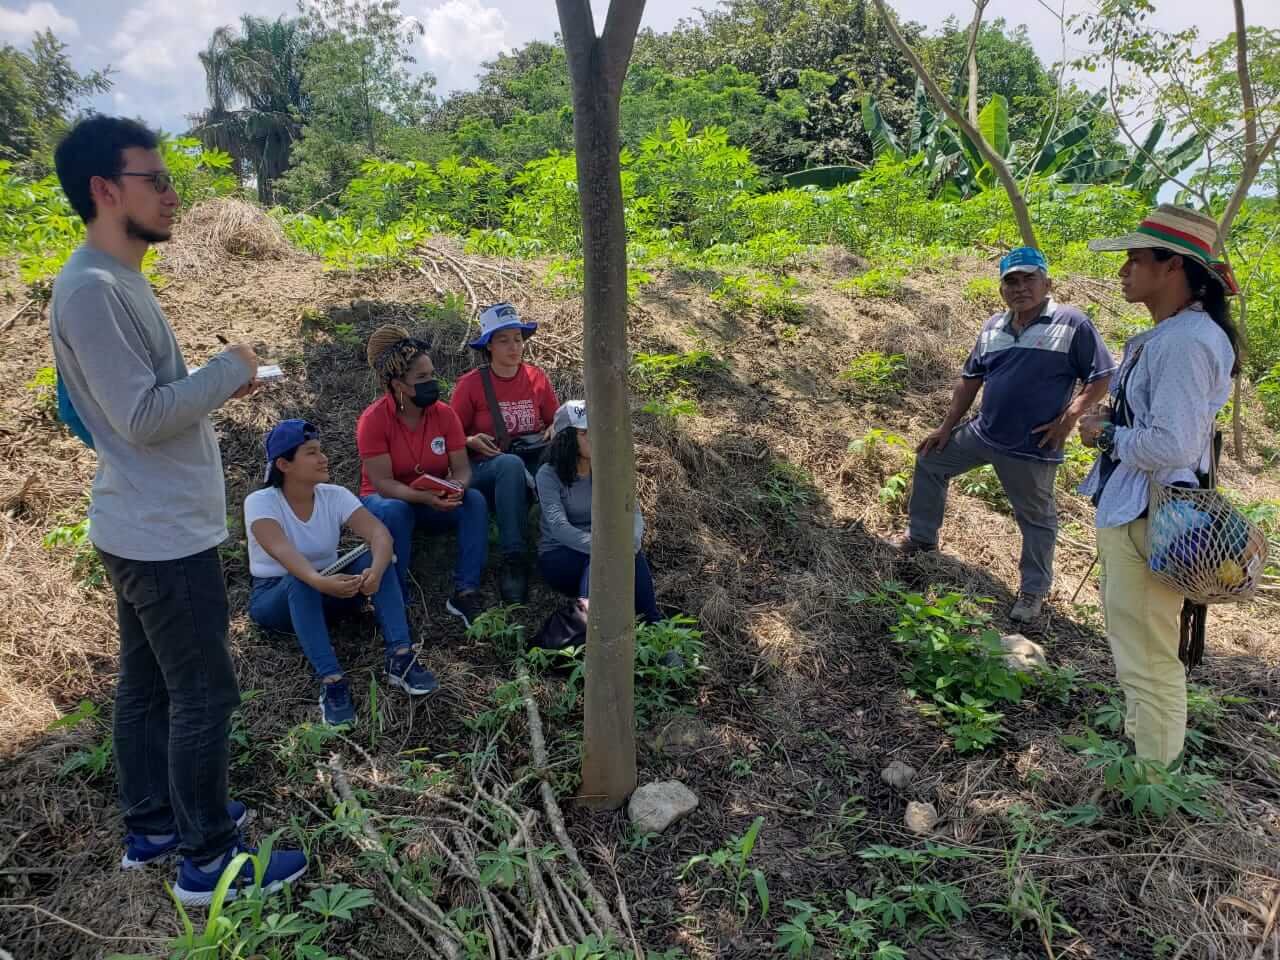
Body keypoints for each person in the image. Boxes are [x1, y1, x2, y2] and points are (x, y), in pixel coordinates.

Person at [47, 115, 305, 904]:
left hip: (144, 523)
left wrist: (214, 377)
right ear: (103, 189)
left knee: (150, 685)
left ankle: (154, 825)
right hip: (160, 537)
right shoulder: (91, 288)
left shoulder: (115, 280)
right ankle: (210, 861)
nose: (171, 193)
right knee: (204, 692)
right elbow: (141, 416)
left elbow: (122, 402)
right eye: (152, 179)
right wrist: (229, 369)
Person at [1078, 205, 1239, 767]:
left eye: (1135, 259)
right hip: (1141, 510)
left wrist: (1107, 435)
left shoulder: (1185, 343)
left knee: (1149, 659)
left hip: (1151, 514)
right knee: (1140, 651)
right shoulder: (1174, 336)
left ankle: (1153, 780)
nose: (1124, 270)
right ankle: (1142, 751)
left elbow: (1171, 445)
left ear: (1173, 266)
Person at [895, 246, 1115, 623]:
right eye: (1011, 281)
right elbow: (969, 381)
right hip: (983, 433)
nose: (1020, 287)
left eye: (1029, 278)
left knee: (1036, 519)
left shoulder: (1071, 322)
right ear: (1001, 289)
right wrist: (946, 427)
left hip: (1032, 446)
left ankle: (1032, 592)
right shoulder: (993, 326)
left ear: (1047, 282)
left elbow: (1101, 376)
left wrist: (1069, 417)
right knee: (931, 460)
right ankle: (922, 539)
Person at [246, 420, 439, 726]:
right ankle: (332, 682)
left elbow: (380, 535)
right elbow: (283, 552)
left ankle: (400, 656)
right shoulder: (260, 503)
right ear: (284, 464)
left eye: (321, 450)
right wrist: (318, 581)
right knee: (300, 579)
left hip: (331, 584)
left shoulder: (333, 495)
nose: (323, 458)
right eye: (311, 453)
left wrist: (374, 572)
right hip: (277, 598)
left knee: (378, 557)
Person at [358, 326, 489, 627]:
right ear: (398, 385)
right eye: (421, 378)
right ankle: (396, 595)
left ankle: (466, 591)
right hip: (385, 500)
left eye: (431, 374)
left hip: (432, 496)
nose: (432, 383)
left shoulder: (444, 414)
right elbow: (383, 484)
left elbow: (461, 468)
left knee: (474, 500)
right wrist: (424, 497)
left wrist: (456, 487)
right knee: (396, 509)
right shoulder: (373, 421)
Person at [451, 302, 560, 604]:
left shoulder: (536, 378)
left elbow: (555, 419)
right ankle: (514, 558)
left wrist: (553, 428)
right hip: (486, 469)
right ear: (489, 347)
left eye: (517, 338)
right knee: (509, 463)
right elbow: (445, 435)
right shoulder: (471, 385)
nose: (514, 346)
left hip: (533, 459)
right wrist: (470, 439)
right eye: (504, 340)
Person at [535, 401, 663, 623]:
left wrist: (629, 542)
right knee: (599, 561)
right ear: (566, 439)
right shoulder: (548, 475)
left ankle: (653, 626)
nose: (595, 438)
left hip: (608, 546)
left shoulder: (610, 467)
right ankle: (592, 632)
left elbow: (632, 512)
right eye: (585, 433)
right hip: (560, 555)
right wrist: (606, 546)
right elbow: (558, 527)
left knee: (630, 557)